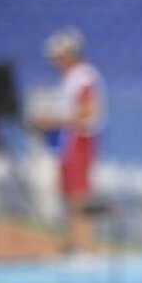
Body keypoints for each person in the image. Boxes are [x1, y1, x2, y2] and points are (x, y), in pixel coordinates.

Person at [32, 26, 104, 253]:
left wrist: (51, 120)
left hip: (79, 140)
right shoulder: (70, 78)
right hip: (68, 141)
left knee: (78, 194)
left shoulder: (84, 77)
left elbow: (85, 111)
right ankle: (75, 242)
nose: (56, 62)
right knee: (68, 193)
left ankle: (84, 245)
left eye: (59, 57)